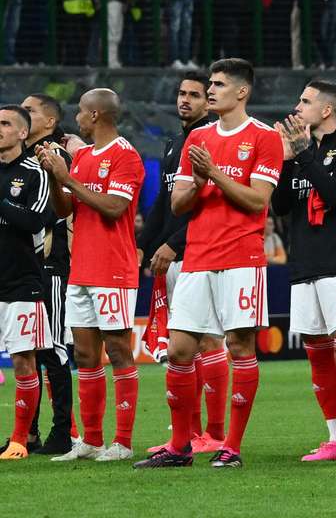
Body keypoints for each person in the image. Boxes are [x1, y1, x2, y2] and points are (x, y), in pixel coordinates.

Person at [133, 58, 283, 469]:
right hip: (197, 256)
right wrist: (199, 181)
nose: (210, 90)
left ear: (242, 92)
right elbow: (179, 204)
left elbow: (258, 201)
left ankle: (231, 446)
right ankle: (180, 446)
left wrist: (214, 173)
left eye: (217, 84)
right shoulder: (197, 138)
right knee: (180, 350)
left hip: (241, 257)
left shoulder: (264, 138)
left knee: (238, 344)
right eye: (210, 84)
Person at [271, 79, 336, 463]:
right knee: (317, 353)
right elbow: (281, 205)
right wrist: (286, 158)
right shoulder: (300, 152)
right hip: (304, 263)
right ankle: (334, 438)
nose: (297, 108)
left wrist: (303, 155)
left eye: (305, 101)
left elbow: (334, 194)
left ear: (327, 110)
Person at [37, 89, 145, 463]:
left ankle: (124, 441)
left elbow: (114, 208)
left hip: (114, 268)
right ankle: (92, 440)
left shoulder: (126, 156)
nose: (77, 118)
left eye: (81, 112)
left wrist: (68, 177)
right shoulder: (82, 156)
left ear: (96, 115)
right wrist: (55, 175)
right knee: (84, 354)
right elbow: (66, 208)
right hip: (81, 267)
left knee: (117, 351)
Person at [140, 72, 228, 455]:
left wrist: (173, 245)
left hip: (201, 252)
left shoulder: (211, 140)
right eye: (181, 93)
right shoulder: (177, 142)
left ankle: (216, 432)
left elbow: (206, 203)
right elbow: (163, 203)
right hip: (175, 254)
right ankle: (191, 432)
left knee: (208, 340)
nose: (186, 100)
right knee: (184, 346)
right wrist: (146, 246)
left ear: (209, 102)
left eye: (195, 94)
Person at [21, 94, 75, 455]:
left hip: (52, 265)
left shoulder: (57, 158)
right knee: (29, 350)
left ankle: (62, 432)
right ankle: (27, 433)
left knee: (52, 348)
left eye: (29, 112)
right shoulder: (17, 159)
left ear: (50, 121)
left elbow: (57, 211)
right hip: (22, 267)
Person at [0, 105, 53, 461]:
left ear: (22, 133)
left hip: (21, 282)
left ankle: (20, 439)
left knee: (23, 361)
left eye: (5, 124)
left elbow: (38, 221)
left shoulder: (35, 172)